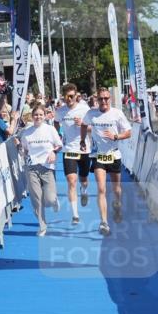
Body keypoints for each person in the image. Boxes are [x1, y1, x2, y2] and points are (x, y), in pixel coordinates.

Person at [80, 88, 133, 236]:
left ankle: (117, 206)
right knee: (102, 189)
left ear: (110, 99)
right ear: (97, 100)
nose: (103, 101)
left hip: (114, 155)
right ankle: (104, 222)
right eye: (101, 99)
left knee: (116, 189)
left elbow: (129, 132)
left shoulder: (117, 113)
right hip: (98, 156)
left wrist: (116, 136)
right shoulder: (91, 113)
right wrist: (83, 140)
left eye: (106, 98)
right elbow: (84, 125)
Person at [18, 102, 62, 236]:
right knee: (36, 198)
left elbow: (59, 145)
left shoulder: (50, 129)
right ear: (32, 116)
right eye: (36, 115)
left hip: (47, 167)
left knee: (48, 199)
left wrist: (53, 152)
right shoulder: (27, 132)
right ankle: (42, 226)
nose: (38, 117)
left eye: (41, 115)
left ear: (45, 116)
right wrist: (19, 147)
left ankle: (54, 201)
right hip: (31, 168)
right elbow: (24, 150)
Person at [54, 83, 91, 225]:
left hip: (83, 149)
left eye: (71, 96)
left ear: (76, 96)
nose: (69, 99)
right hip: (68, 149)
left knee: (84, 179)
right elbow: (56, 123)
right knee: (71, 181)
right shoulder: (60, 111)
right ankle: (75, 215)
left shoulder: (84, 109)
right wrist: (58, 134)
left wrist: (83, 124)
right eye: (66, 97)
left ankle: (84, 190)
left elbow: (92, 129)